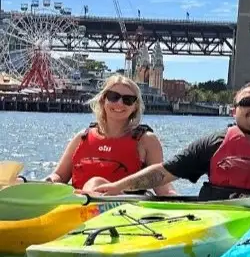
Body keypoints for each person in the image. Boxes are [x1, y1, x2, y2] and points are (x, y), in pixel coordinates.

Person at [92, 83, 250, 200]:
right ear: (234, 112)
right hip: (214, 217)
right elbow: (164, 173)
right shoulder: (213, 143)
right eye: (246, 103)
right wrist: (117, 187)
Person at [45, 75, 175, 195]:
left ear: (135, 107)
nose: (119, 103)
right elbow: (59, 176)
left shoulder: (147, 141)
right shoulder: (82, 137)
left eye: (128, 100)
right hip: (77, 208)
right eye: (113, 97)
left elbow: (163, 186)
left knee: (95, 183)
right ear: (103, 100)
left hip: (122, 211)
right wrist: (46, 182)